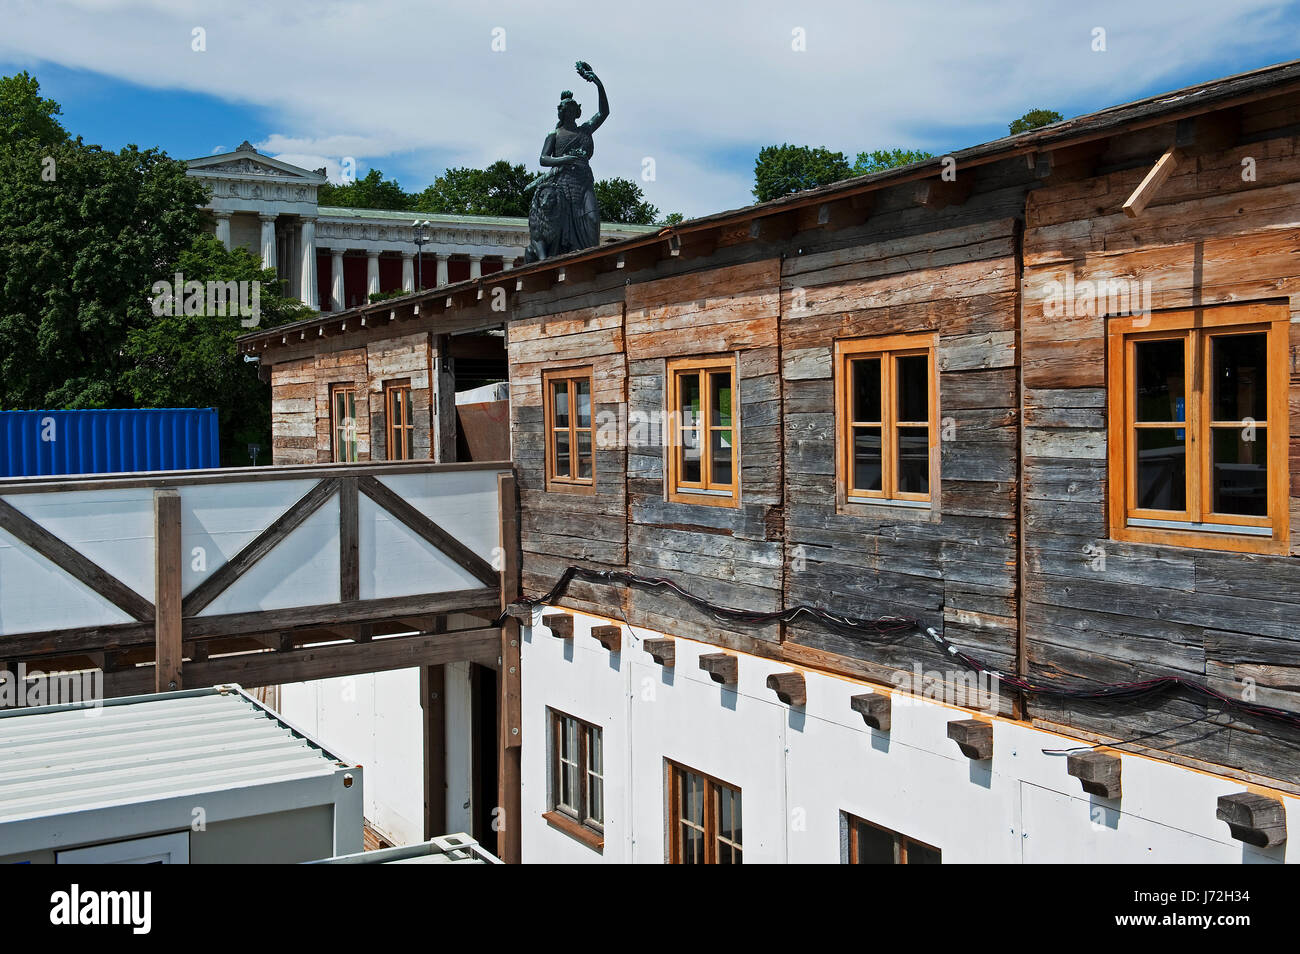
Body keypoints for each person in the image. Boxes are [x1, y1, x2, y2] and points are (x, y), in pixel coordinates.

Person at [525, 61, 609, 262]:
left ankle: (590, 262)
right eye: (566, 110)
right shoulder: (554, 134)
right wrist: (565, 159)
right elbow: (543, 159)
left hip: (584, 182)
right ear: (562, 112)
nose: (570, 112)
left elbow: (604, 112)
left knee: (592, 218)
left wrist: (598, 83)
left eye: (573, 109)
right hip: (563, 187)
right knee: (564, 234)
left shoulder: (585, 129)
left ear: (577, 112)